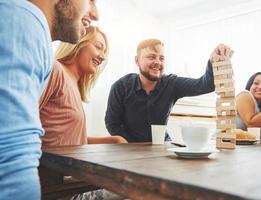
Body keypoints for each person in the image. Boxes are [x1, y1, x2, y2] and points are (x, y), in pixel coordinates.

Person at [0, 0, 99, 199]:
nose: (95, 13)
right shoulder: (23, 20)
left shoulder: (33, 32)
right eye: (91, 0)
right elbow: (11, 156)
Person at [105, 39, 233, 142]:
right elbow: (112, 123)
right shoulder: (120, 87)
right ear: (137, 60)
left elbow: (205, 85)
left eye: (161, 58)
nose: (157, 62)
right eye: (151, 57)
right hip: (130, 149)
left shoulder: (172, 83)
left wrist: (212, 61)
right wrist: (130, 145)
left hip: (163, 147)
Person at [40, 26, 127, 146]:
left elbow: (71, 140)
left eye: (104, 52)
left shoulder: (74, 85)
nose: (103, 57)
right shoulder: (56, 70)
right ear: (78, 43)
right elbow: (23, 123)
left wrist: (113, 140)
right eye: (98, 47)